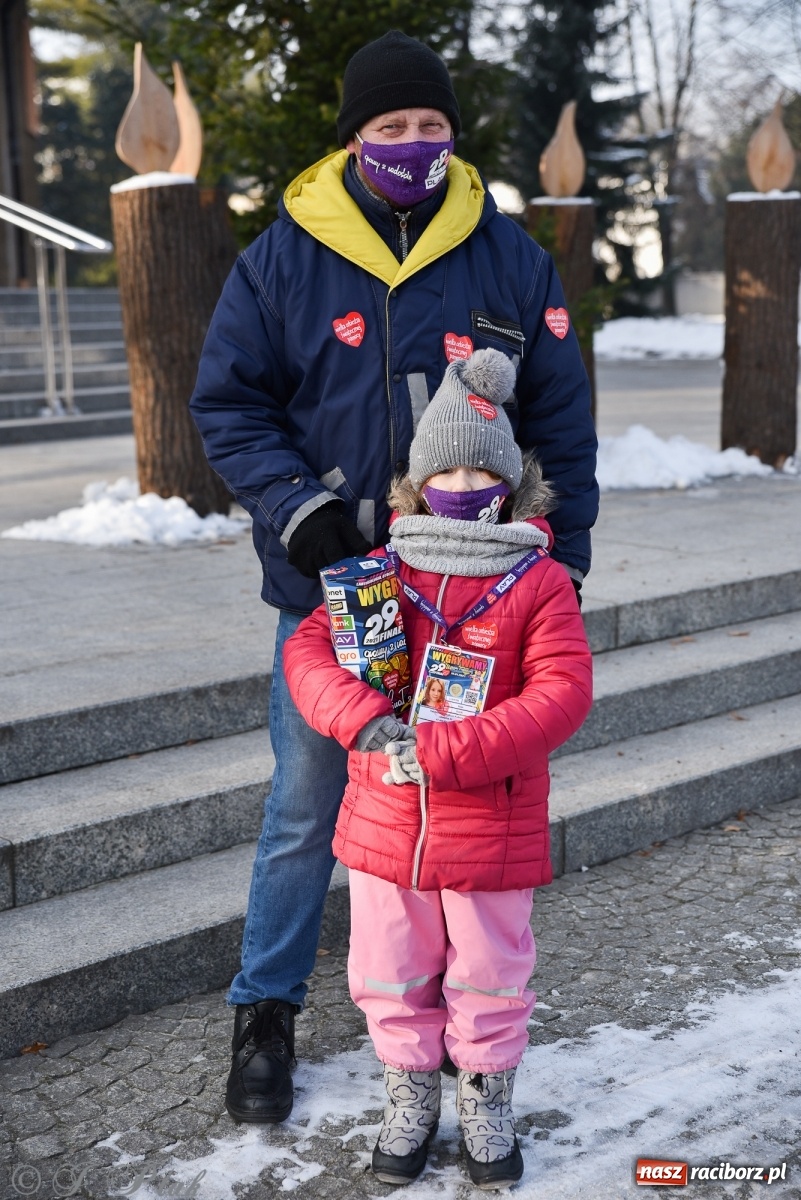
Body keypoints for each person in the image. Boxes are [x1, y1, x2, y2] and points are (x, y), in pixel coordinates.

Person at [189, 29, 598, 1125]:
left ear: (452, 132)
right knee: (303, 805)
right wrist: (303, 511)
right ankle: (265, 1011)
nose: (413, 142)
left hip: (475, 594)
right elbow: (228, 404)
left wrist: (564, 555)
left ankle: (454, 1042)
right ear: (354, 137)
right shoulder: (282, 258)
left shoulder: (508, 256)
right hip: (336, 588)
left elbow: (561, 418)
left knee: (465, 805)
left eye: (430, 124)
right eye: (390, 125)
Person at [283, 349, 593, 1188]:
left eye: (480, 469)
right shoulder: (380, 571)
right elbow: (309, 654)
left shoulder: (538, 582)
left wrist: (448, 751)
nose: (462, 483)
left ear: (510, 485)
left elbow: (561, 693)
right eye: (445, 469)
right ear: (416, 484)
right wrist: (362, 721)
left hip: (490, 822)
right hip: (387, 821)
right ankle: (410, 1093)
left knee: (490, 974)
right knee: (387, 969)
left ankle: (486, 1096)